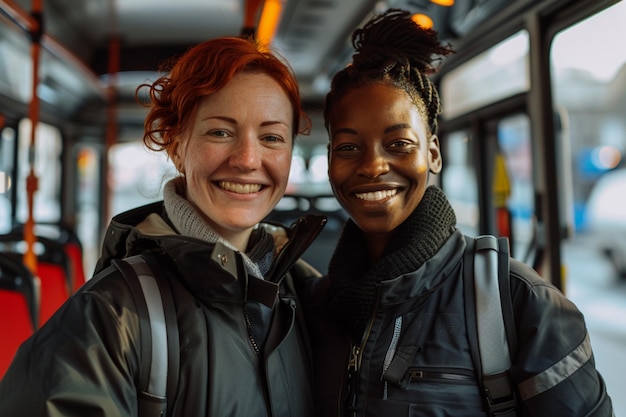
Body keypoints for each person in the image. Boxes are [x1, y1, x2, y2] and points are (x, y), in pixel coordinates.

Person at [298, 9, 614, 417]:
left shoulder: (519, 304)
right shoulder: (313, 307)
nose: (372, 165)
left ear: (433, 153)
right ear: (328, 163)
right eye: (347, 147)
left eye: (398, 144)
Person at [0, 36, 326, 417]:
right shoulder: (108, 317)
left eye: (271, 137)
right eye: (220, 132)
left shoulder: (304, 295)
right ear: (176, 144)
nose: (248, 159)